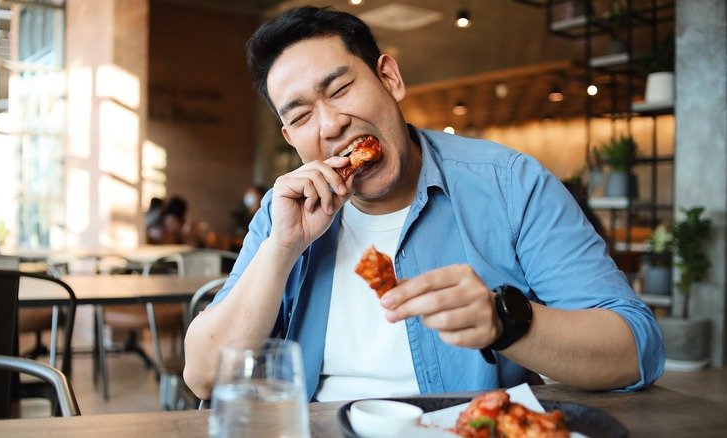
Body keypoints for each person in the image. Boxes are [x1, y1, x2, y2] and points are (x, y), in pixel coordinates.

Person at [183, 6, 664, 402]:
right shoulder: (283, 210)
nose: (330, 125)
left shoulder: (510, 185)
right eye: (303, 115)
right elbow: (204, 376)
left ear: (389, 78)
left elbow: (634, 349)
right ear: (292, 139)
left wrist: (507, 322)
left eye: (341, 88)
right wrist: (282, 248)